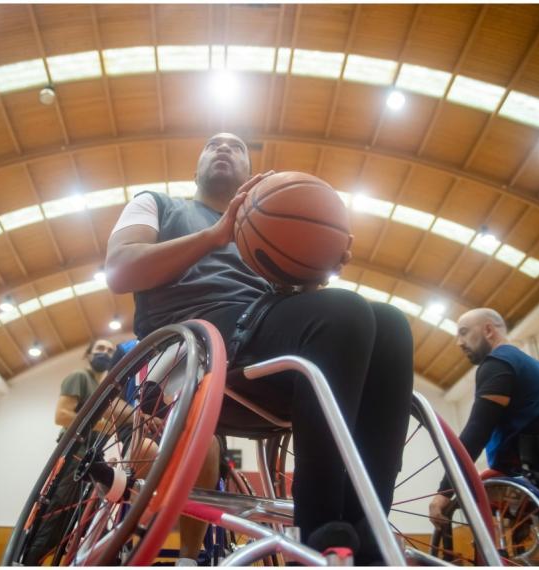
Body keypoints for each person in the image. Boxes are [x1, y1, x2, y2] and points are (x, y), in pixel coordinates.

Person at [105, 132, 414, 562]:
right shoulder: (156, 204)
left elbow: (298, 308)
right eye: (213, 143)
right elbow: (120, 272)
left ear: (252, 176)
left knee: (392, 326)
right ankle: (319, 530)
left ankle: (369, 533)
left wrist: (316, 267)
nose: (224, 148)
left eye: (236, 146)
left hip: (262, 332)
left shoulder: (270, 228)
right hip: (195, 339)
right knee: (344, 313)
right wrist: (216, 235)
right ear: (195, 167)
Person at [428, 308, 539, 529]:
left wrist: (445, 490)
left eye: (464, 332)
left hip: (524, 470)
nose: (459, 342)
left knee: (459, 500)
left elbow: (477, 431)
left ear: (488, 330)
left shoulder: (497, 363)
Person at [21, 339, 117, 564]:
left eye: (110, 350)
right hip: (75, 452)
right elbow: (62, 415)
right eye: (100, 348)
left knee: (80, 521)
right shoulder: (80, 377)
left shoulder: (101, 388)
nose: (105, 353)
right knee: (57, 515)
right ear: (89, 353)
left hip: (91, 456)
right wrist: (103, 424)